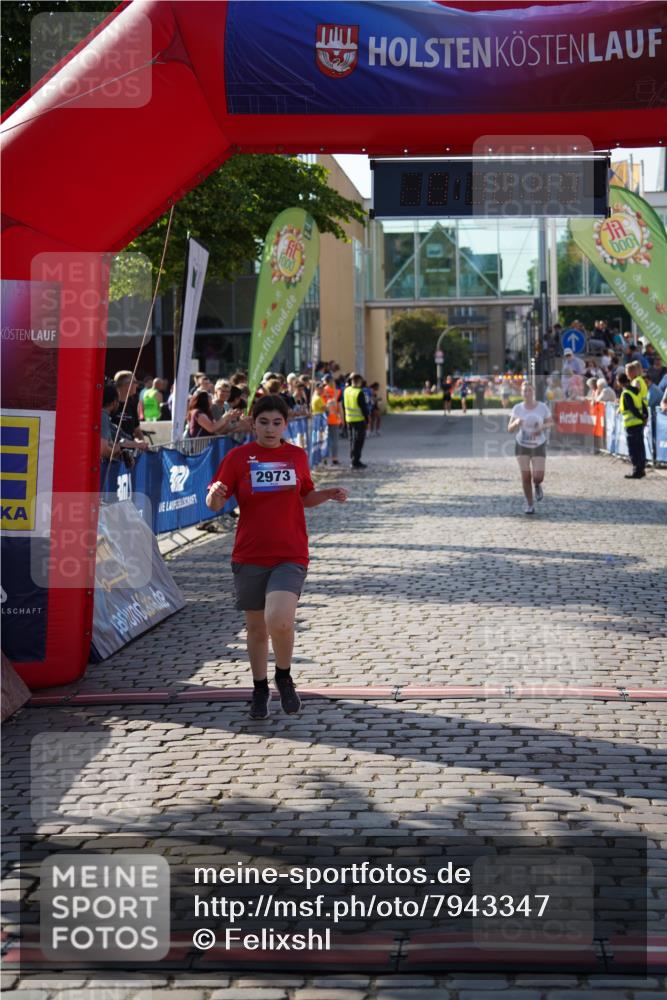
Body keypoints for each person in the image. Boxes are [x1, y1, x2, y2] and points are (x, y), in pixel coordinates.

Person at [205, 394, 348, 719]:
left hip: (290, 552)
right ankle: (259, 688)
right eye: (264, 422)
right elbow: (215, 503)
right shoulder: (238, 458)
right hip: (250, 553)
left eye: (277, 422)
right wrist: (214, 496)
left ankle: (283, 675)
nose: (270, 429)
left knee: (279, 619)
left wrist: (325, 494)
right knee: (255, 629)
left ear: (286, 424)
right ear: (252, 424)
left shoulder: (296, 456)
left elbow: (305, 495)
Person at [508, 382, 553, 515]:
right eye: (524, 391)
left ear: (533, 392)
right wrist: (516, 423)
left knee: (538, 476)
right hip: (522, 444)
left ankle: (537, 485)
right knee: (526, 476)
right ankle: (529, 503)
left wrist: (542, 427)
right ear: (521, 393)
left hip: (538, 444)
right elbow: (509, 429)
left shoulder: (542, 407)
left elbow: (551, 422)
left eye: (529, 390)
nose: (527, 393)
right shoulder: (517, 408)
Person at [617, 372, 648, 479]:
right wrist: (644, 417)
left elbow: (632, 409)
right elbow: (643, 406)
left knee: (633, 449)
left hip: (631, 425)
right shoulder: (636, 391)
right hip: (639, 424)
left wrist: (641, 417)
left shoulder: (626, 393)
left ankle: (637, 471)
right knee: (640, 447)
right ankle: (641, 469)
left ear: (619, 382)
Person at [344, 373, 370, 469]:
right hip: (359, 420)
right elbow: (363, 408)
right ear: (359, 381)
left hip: (349, 419)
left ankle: (352, 459)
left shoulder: (346, 390)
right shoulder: (359, 392)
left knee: (352, 440)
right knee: (358, 441)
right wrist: (367, 419)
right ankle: (356, 461)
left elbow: (343, 405)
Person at [321, 374, 343, 465]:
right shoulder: (337, 392)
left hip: (323, 419)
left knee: (325, 439)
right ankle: (334, 458)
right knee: (334, 440)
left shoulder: (321, 391)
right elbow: (340, 407)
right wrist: (342, 418)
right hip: (334, 419)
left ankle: (325, 458)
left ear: (326, 381)